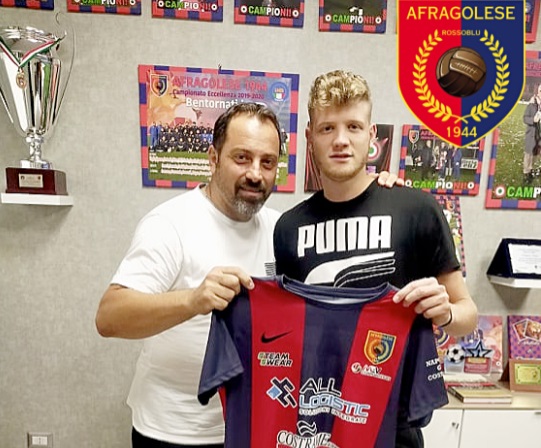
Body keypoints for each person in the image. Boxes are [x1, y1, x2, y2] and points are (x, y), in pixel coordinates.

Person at [95, 101, 401, 448]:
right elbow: (109, 317)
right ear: (213, 158)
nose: (255, 173)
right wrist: (193, 300)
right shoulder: (170, 225)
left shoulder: (283, 230)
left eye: (267, 162)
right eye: (242, 158)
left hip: (258, 427)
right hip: (175, 430)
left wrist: (380, 193)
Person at [273, 70, 478, 448]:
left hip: (394, 426)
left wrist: (446, 313)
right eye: (327, 128)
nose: (340, 140)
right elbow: (288, 334)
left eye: (353, 126)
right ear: (310, 137)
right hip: (314, 420)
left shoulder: (416, 209)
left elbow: (468, 314)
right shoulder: (288, 227)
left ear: (371, 136)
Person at [522, 83, 541, 184]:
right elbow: (525, 118)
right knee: (529, 155)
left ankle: (534, 170)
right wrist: (533, 120)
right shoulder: (532, 103)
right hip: (533, 134)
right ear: (538, 92)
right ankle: (527, 174)